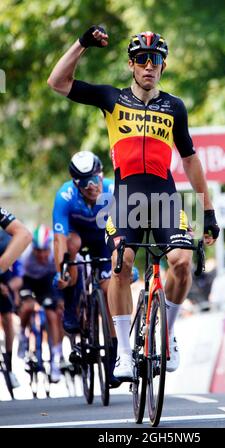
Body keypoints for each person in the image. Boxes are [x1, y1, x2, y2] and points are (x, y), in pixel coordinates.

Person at [48, 27, 219, 380]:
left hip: (163, 197)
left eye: (154, 60)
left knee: (182, 262)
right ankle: (123, 356)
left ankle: (168, 335)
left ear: (163, 66)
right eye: (141, 59)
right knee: (121, 264)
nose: (148, 66)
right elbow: (57, 82)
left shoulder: (174, 107)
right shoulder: (112, 99)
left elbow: (190, 161)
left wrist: (208, 212)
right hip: (126, 196)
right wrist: (82, 43)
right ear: (131, 64)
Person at [52, 150, 120, 386]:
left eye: (95, 178)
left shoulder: (113, 190)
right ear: (75, 184)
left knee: (111, 292)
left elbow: (123, 232)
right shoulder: (65, 196)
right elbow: (59, 239)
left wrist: (123, 264)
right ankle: (71, 304)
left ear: (101, 175)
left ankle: (113, 360)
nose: (92, 186)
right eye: (85, 182)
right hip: (76, 239)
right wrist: (60, 271)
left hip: (104, 241)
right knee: (73, 247)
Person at [18, 224, 64, 383]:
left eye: (45, 250)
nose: (42, 255)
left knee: (53, 314)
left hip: (47, 282)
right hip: (28, 281)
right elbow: (18, 278)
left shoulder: (55, 254)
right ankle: (22, 337)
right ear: (33, 249)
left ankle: (56, 359)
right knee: (28, 307)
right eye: (38, 251)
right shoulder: (26, 257)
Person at [0, 207, 32, 387]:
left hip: (2, 266)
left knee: (6, 315)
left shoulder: (5, 241)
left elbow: (24, 235)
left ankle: (9, 365)